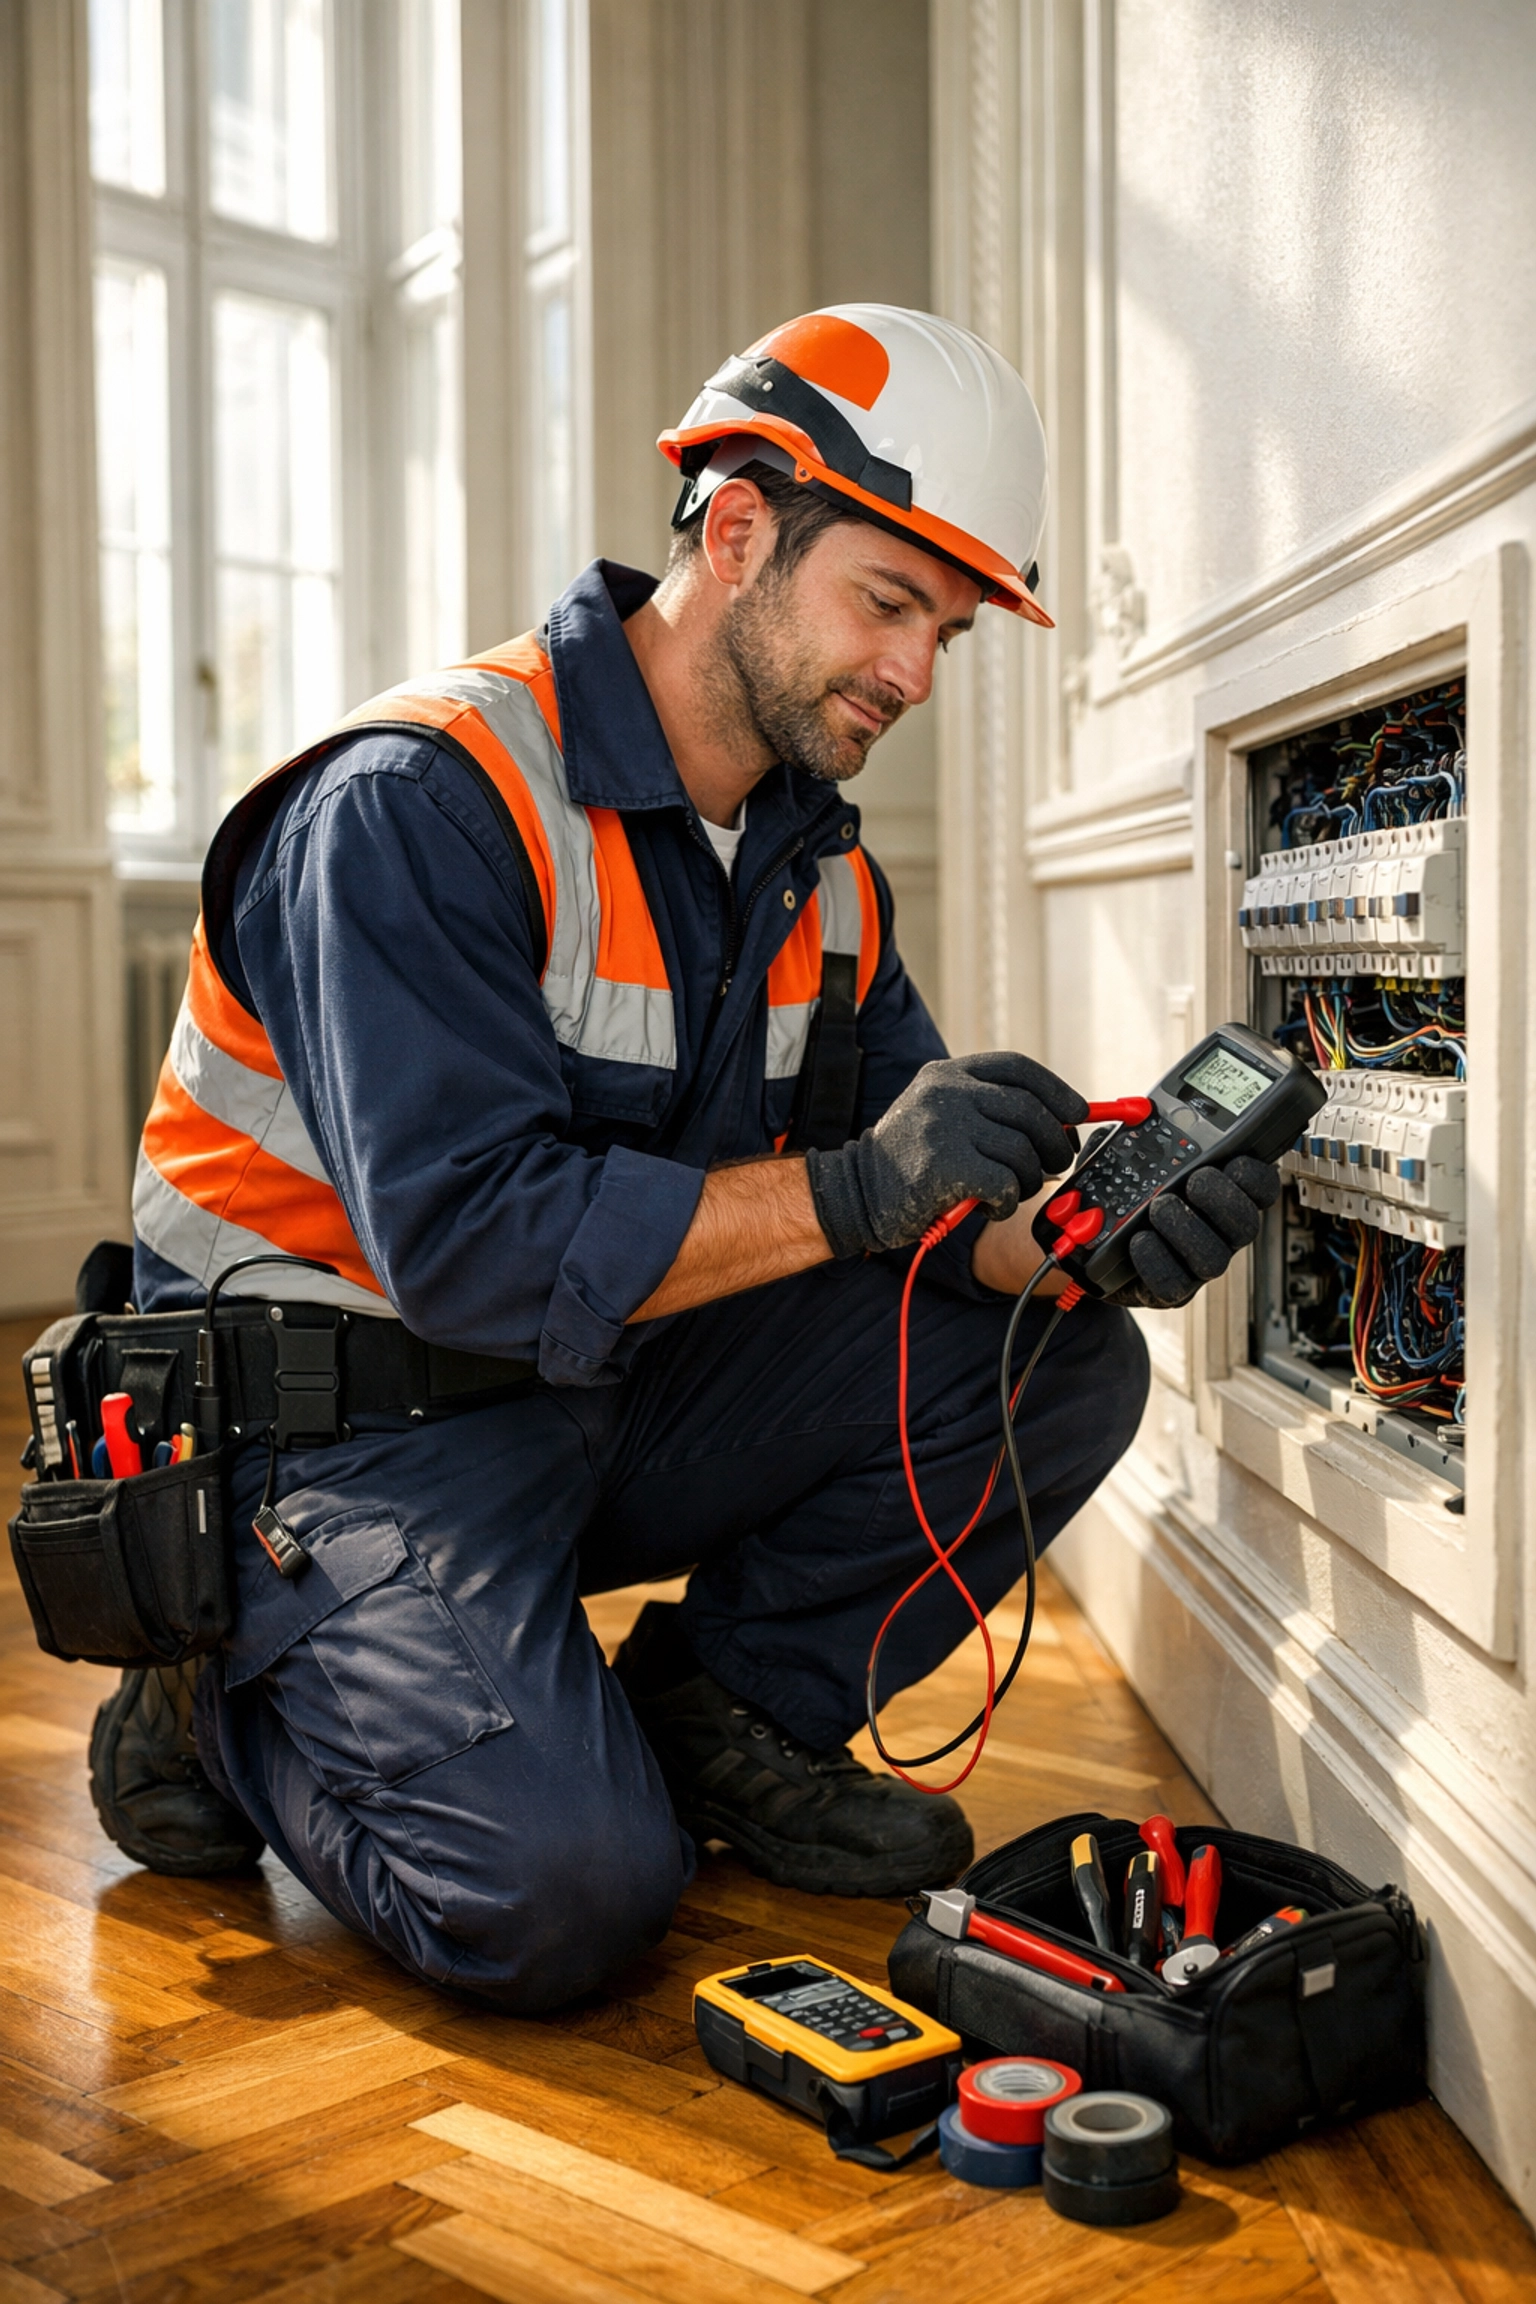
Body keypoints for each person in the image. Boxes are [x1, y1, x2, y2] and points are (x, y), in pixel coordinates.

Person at [89, 306, 1278, 2010]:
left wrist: (1077, 1243)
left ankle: (728, 1710)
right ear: (736, 533)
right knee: (562, 1898)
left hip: (589, 1391)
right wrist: (858, 1189)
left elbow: (932, 1221)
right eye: (888, 603)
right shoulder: (423, 801)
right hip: (333, 1436)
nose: (917, 674)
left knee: (1060, 1363)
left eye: (947, 631)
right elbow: (474, 1243)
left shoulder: (819, 868)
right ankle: (222, 1680)